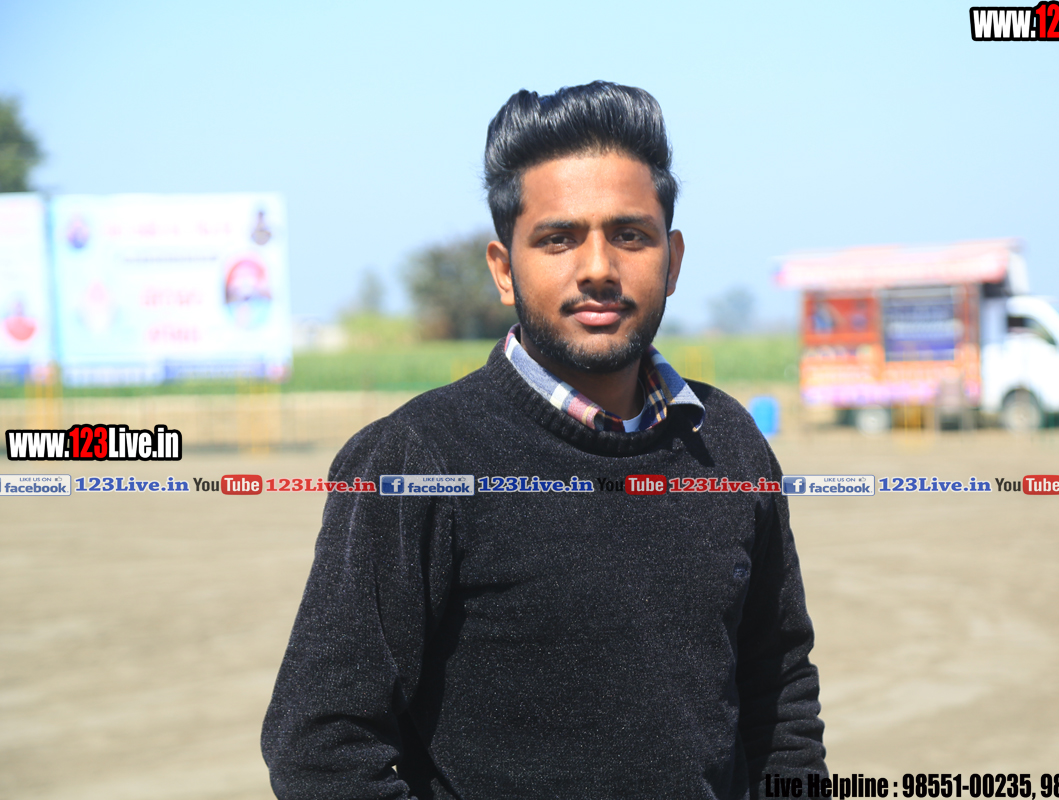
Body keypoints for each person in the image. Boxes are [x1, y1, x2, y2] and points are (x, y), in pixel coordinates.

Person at [262, 81, 827, 799]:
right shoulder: (415, 460)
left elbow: (781, 695)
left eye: (630, 235)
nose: (598, 269)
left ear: (673, 259)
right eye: (559, 239)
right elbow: (320, 749)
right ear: (504, 269)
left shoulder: (729, 445)